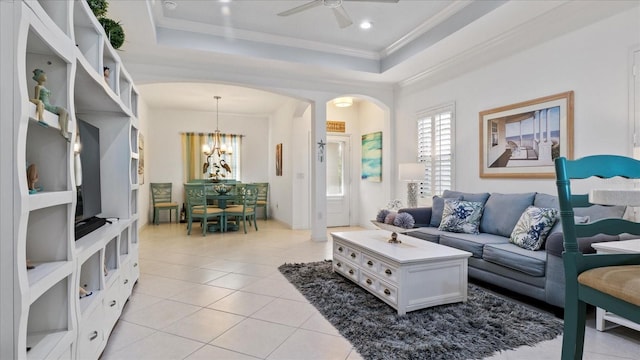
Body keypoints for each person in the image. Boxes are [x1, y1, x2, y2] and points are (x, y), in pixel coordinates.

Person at [31, 68, 70, 141]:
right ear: (39, 77)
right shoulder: (38, 87)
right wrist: (39, 104)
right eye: (43, 74)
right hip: (45, 106)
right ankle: (62, 131)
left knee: (67, 113)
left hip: (48, 105)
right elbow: (36, 98)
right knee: (63, 111)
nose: (45, 75)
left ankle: (66, 131)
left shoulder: (44, 88)